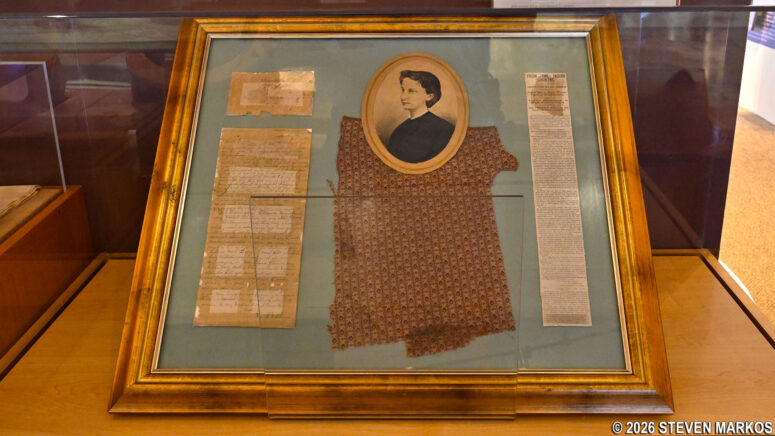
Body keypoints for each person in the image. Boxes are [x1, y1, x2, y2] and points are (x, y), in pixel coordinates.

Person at [387, 70, 455, 163]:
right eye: (403, 90)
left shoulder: (444, 129)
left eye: (411, 91)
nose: (403, 97)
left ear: (429, 96)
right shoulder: (399, 130)